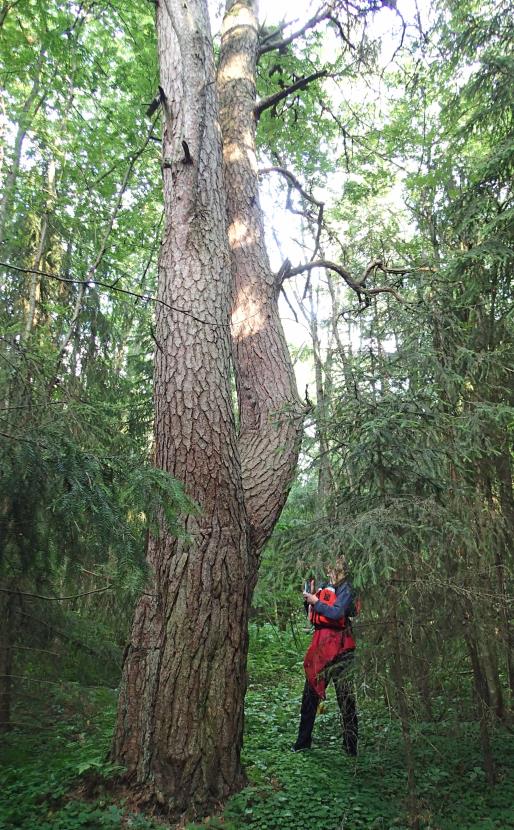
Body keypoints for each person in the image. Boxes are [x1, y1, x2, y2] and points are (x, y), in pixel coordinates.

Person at [292, 557, 358, 756]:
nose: (328, 572)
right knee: (309, 695)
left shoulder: (347, 589)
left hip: (342, 649)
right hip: (320, 648)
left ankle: (351, 746)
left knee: (345, 699)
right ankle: (303, 743)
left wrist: (316, 602)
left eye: (332, 569)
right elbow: (314, 614)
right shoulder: (323, 586)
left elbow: (337, 613)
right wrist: (309, 602)